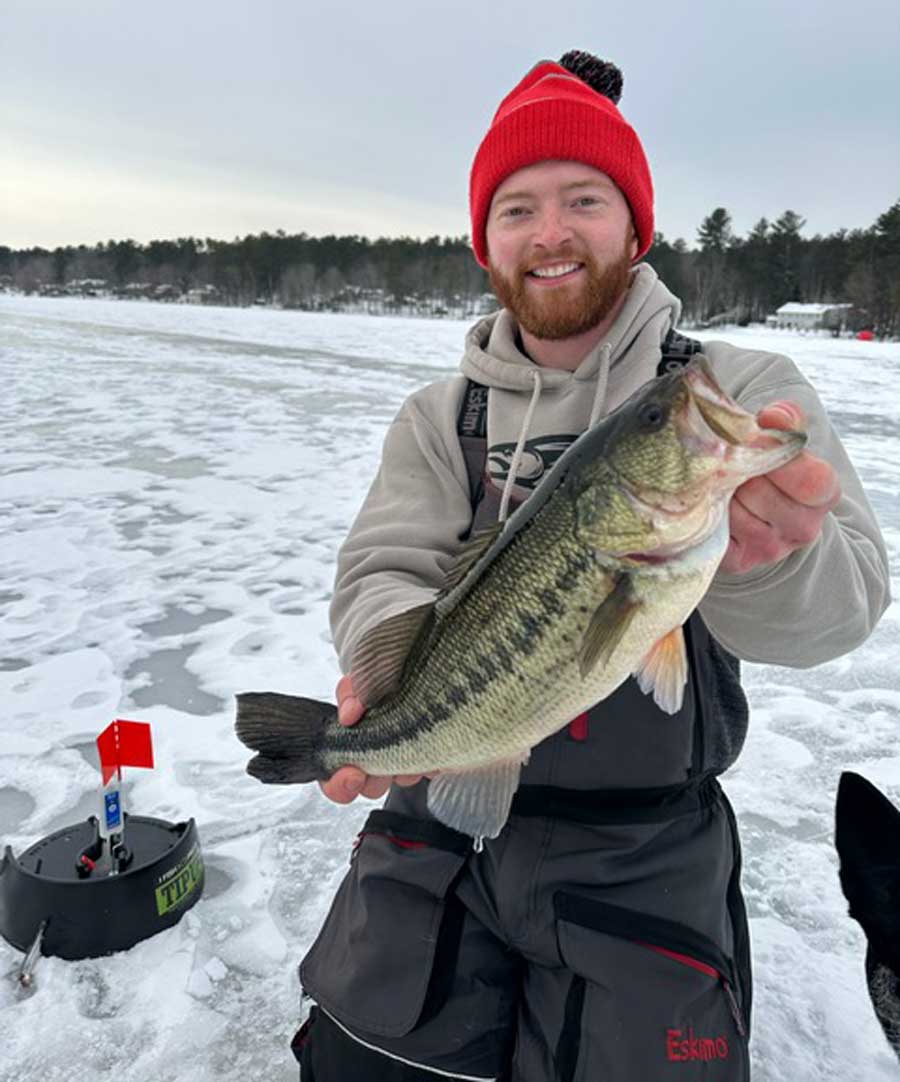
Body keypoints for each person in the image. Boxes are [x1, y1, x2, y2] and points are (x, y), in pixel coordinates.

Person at [294, 51, 891, 1080]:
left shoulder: (733, 386)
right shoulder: (442, 417)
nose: (552, 232)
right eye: (517, 208)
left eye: (584, 198)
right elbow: (385, 567)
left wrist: (756, 562)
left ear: (634, 225)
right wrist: (382, 686)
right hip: (444, 814)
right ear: (486, 241)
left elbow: (843, 612)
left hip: (646, 851)